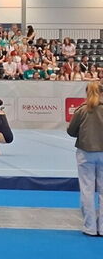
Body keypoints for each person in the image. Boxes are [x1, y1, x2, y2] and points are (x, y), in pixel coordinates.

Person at [67, 81, 103, 236]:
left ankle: (90, 227)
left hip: (85, 152)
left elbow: (71, 131)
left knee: (87, 190)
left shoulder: (81, 110)